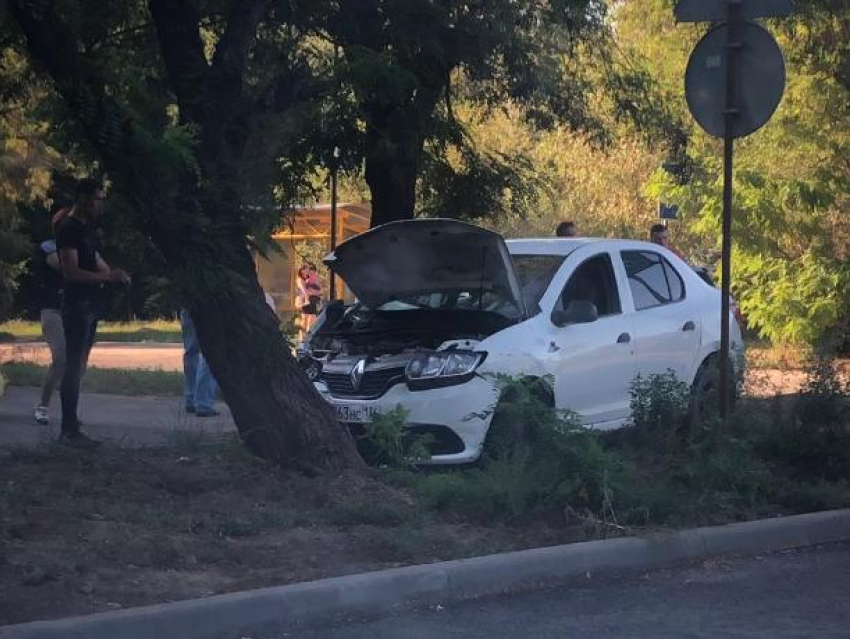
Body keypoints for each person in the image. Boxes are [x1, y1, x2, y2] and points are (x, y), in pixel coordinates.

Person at [55, 178, 131, 448]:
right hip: (77, 305)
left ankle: (72, 425)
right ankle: (68, 430)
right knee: (74, 367)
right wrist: (108, 277)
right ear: (83, 198)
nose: (101, 204)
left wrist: (114, 274)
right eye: (98, 199)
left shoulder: (87, 229)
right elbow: (71, 272)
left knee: (80, 365)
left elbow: (97, 260)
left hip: (91, 303)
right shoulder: (68, 228)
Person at [179, 309, 220, 417]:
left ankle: (191, 399)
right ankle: (203, 403)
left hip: (188, 302)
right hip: (210, 306)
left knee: (191, 351)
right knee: (210, 352)